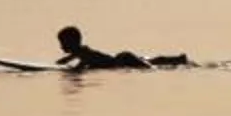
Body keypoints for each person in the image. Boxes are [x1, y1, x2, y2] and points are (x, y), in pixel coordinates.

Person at [53, 26, 187, 71]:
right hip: (120, 59)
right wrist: (60, 64)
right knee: (153, 61)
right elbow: (67, 60)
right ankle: (178, 58)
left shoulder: (83, 53)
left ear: (72, 42)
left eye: (63, 42)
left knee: (150, 68)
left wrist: (66, 70)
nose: (61, 46)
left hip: (122, 61)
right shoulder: (81, 51)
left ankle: (178, 60)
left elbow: (79, 68)